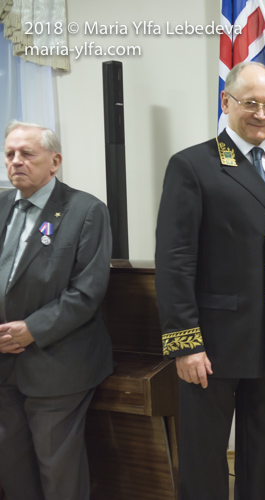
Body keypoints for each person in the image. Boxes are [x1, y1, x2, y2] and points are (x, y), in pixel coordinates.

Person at [155, 61, 265, 499]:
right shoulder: (193, 165)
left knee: (264, 458)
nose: (261, 114)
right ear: (226, 102)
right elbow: (175, 261)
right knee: (204, 461)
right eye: (250, 103)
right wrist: (185, 343)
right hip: (214, 344)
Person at [0, 121, 113, 499]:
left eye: (27, 153)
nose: (16, 161)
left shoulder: (86, 210)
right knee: (12, 468)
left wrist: (31, 330)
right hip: (4, 363)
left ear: (55, 161)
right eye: (10, 154)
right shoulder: (2, 206)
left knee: (58, 472)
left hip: (57, 363)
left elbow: (86, 292)